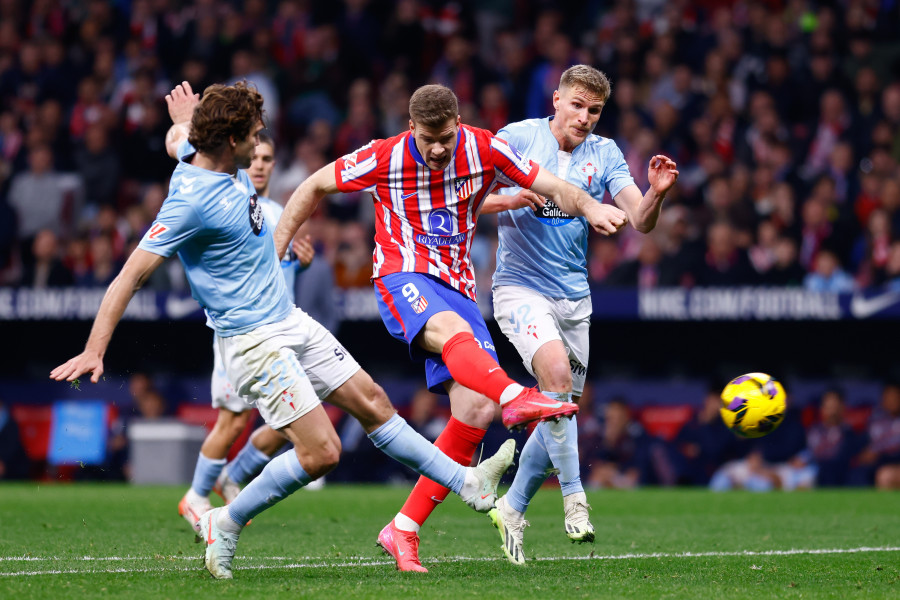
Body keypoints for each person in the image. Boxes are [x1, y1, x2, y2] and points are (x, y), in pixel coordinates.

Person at [50, 81, 517, 580]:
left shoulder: (206, 153)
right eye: (254, 135)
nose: (261, 147)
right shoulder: (189, 202)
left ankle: (469, 486)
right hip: (253, 338)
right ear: (232, 142)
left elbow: (179, 141)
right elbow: (131, 274)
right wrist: (95, 349)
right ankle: (224, 522)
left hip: (288, 318)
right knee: (322, 453)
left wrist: (182, 120)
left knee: (375, 403)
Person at [272, 83, 631, 572]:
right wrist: (275, 252)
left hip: (458, 286)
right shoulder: (385, 156)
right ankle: (514, 395)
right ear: (411, 127)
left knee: (475, 410)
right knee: (465, 353)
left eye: (445, 136)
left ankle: (403, 529)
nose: (438, 148)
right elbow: (312, 185)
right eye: (427, 138)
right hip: (404, 274)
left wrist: (589, 206)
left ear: (457, 124)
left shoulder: (484, 147)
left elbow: (553, 186)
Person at [484, 65, 678, 565]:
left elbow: (640, 221)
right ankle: (575, 499)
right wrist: (508, 198)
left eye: (594, 110)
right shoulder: (517, 138)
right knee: (555, 381)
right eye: (577, 105)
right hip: (519, 289)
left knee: (559, 409)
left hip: (575, 300)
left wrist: (655, 193)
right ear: (556, 100)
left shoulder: (606, 153)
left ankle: (512, 507)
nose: (585, 117)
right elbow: (466, 196)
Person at [178, 129, 316, 528]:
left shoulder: (278, 211)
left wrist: (299, 264)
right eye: (254, 158)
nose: (259, 165)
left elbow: (278, 270)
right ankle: (196, 495)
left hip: (279, 329)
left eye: (268, 159)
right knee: (233, 420)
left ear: (275, 165)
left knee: (292, 419)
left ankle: (233, 476)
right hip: (241, 331)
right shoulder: (232, 201)